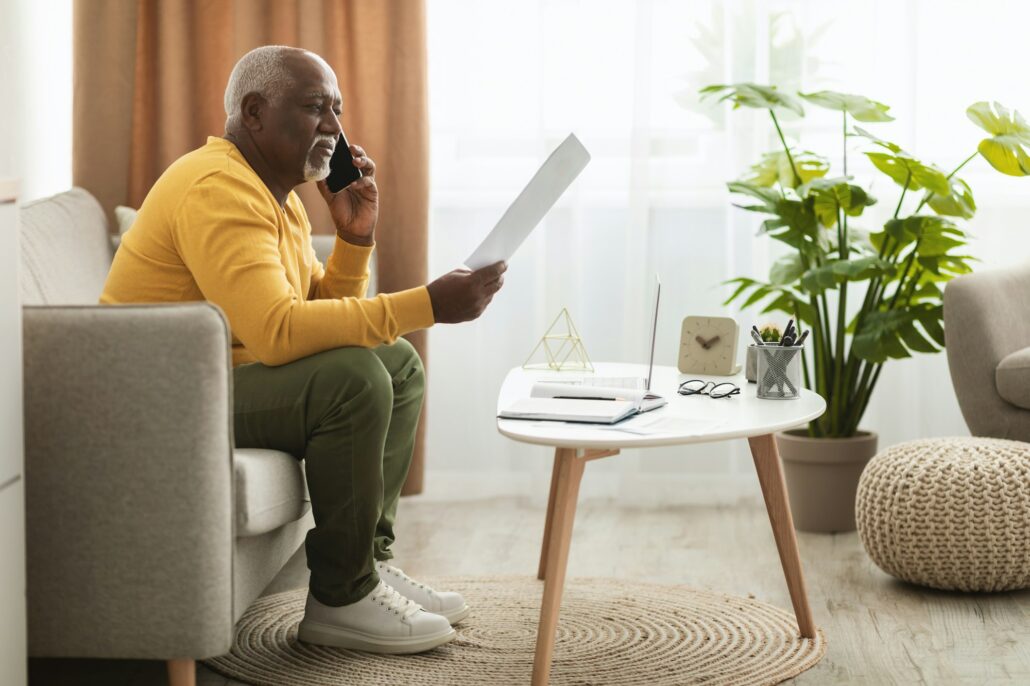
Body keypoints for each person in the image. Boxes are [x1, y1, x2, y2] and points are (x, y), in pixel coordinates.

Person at [99, 45, 506, 654]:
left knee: (396, 362)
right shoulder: (219, 187)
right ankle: (341, 598)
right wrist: (427, 304)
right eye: (316, 108)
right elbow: (279, 332)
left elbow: (316, 315)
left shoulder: (278, 196)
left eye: (338, 111)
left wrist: (353, 239)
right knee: (353, 379)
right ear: (255, 112)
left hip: (210, 377)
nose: (335, 130)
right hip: (158, 397)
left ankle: (364, 561)